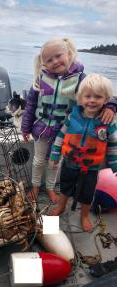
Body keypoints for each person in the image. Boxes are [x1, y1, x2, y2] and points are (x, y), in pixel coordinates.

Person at [21, 38, 115, 204]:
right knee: (38, 160)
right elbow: (30, 105)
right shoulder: (40, 78)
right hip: (41, 128)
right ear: (43, 63)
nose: (55, 61)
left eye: (58, 56)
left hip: (64, 130)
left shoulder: (80, 78)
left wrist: (111, 106)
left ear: (69, 54)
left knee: (55, 163)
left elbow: (100, 93)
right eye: (49, 60)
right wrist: (25, 127)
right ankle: (35, 186)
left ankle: (50, 188)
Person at [49, 73, 117, 232]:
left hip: (91, 168)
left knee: (87, 195)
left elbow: (113, 144)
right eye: (87, 96)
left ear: (106, 100)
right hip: (69, 163)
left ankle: (84, 216)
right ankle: (61, 206)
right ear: (80, 98)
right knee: (66, 187)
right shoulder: (73, 116)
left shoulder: (108, 122)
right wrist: (54, 155)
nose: (92, 100)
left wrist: (114, 165)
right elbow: (61, 135)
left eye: (98, 97)